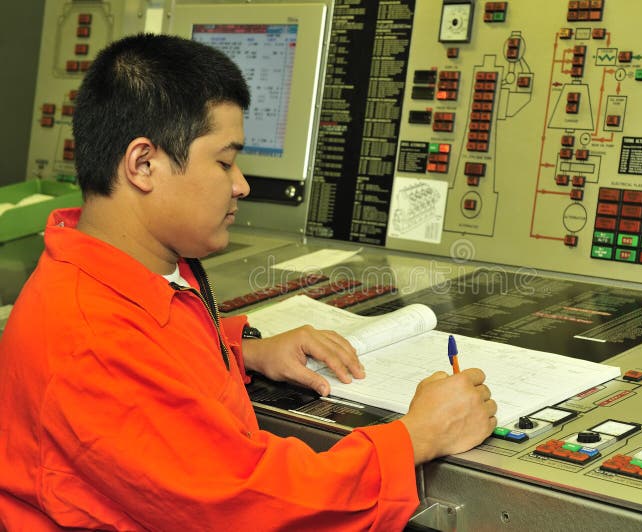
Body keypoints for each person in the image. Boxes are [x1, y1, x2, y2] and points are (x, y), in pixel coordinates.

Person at [0, 33, 497, 530]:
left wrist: (239, 351)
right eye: (223, 162)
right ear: (143, 164)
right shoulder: (92, 343)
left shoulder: (113, 271)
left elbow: (155, 357)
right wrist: (417, 436)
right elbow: (250, 507)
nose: (241, 185)